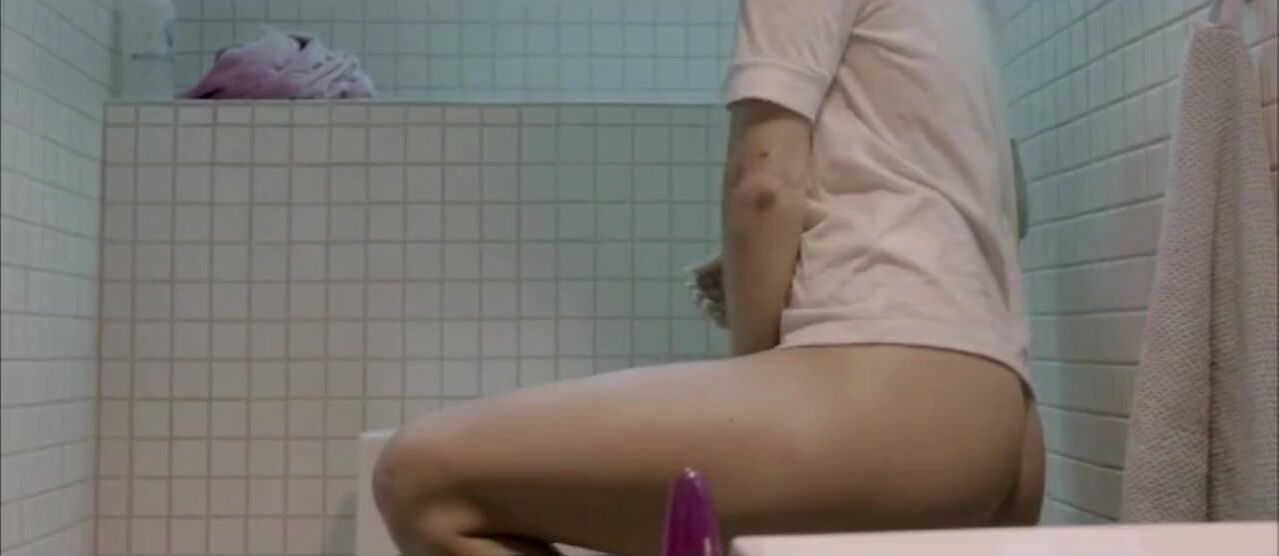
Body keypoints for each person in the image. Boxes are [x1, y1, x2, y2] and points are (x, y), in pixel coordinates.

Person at [373, 0, 1043, 554]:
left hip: (887, 398)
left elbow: (762, 185)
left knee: (421, 480)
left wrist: (756, 374)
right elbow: (990, 202)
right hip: (1000, 423)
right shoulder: (963, 17)